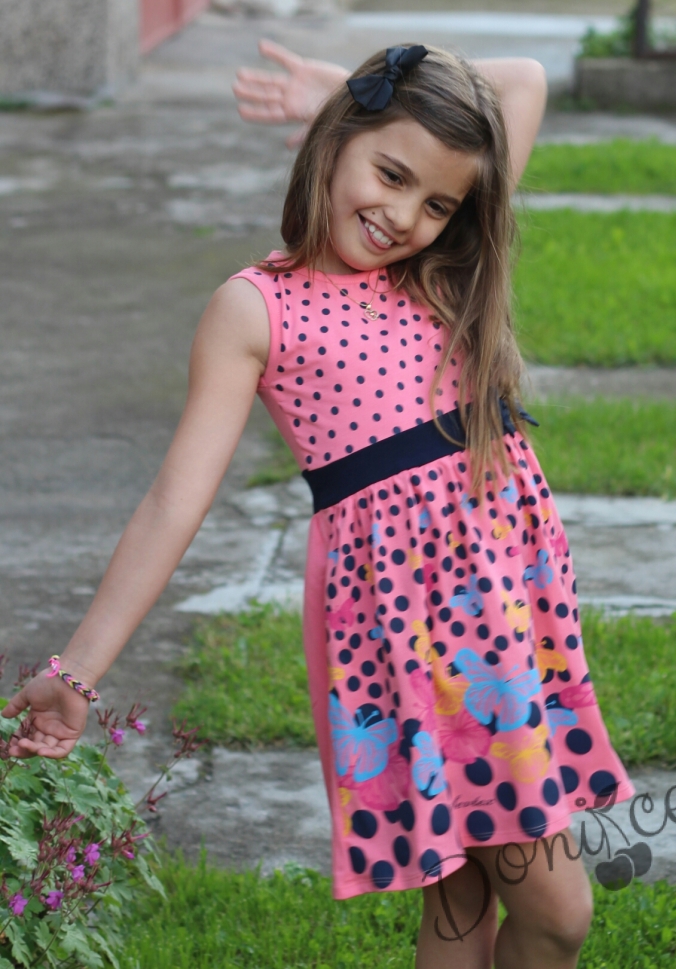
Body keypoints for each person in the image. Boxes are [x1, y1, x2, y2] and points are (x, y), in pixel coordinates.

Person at [4, 39, 635, 969]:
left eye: (435, 201)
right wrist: (79, 672)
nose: (402, 215)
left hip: (500, 613)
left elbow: (524, 83)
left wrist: (350, 91)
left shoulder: (441, 269)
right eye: (387, 172)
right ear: (335, 144)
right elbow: (175, 499)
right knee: (556, 908)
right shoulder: (257, 308)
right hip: (416, 631)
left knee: (462, 907)